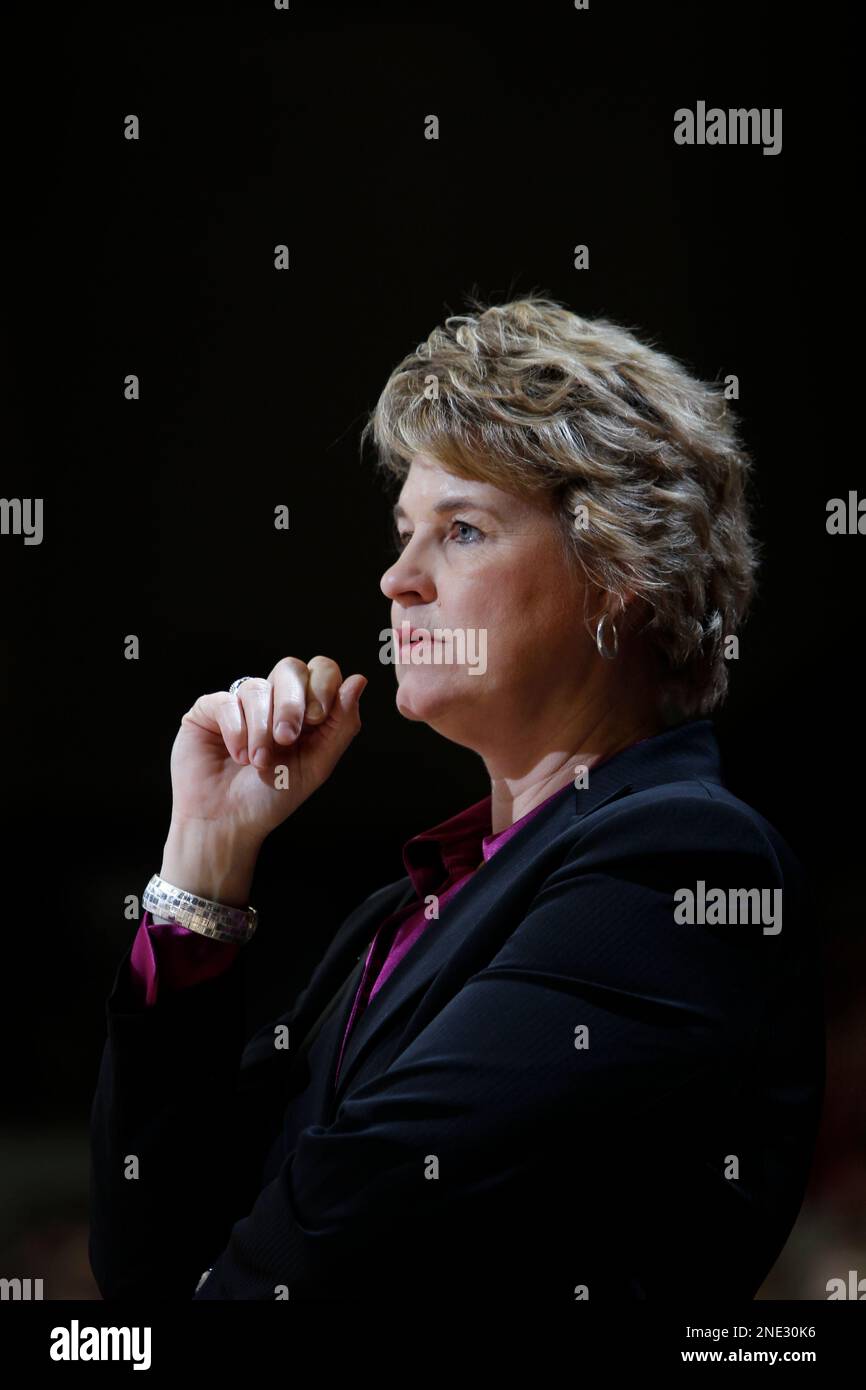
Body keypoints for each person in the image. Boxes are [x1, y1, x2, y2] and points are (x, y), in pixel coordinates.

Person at [89, 295, 825, 1301]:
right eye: (403, 532)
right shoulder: (403, 910)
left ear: (616, 571)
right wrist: (204, 863)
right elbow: (147, 1264)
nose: (397, 578)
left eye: (462, 530)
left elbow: (339, 1240)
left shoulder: (681, 862)